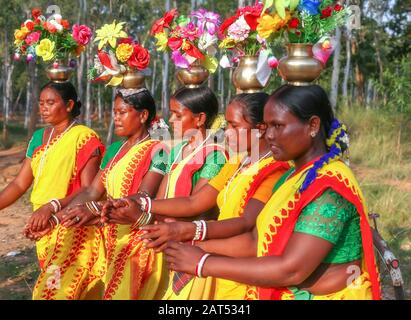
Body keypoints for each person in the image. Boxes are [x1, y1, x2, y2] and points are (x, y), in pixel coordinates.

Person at [163, 84, 381, 300]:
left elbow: (292, 269)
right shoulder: (293, 177)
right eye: (267, 126)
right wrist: (192, 245)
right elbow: (256, 242)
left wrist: (203, 263)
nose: (269, 136)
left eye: (278, 126)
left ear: (313, 125)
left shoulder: (330, 188)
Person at [106, 93, 289, 299]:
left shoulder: (269, 169)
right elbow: (195, 201)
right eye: (227, 125)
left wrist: (188, 235)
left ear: (260, 129)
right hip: (213, 259)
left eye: (234, 126)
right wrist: (140, 203)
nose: (226, 133)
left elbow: (245, 224)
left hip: (236, 265)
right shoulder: (236, 164)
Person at [57, 87, 168, 299]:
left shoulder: (160, 150)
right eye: (115, 112)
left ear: (143, 115)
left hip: (139, 240)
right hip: (113, 237)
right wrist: (59, 215)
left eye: (122, 112)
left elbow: (143, 196)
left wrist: (97, 208)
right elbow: (92, 190)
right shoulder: (115, 150)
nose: (115, 118)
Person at [0, 81, 106, 300]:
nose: (43, 108)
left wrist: (53, 211)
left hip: (70, 224)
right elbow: (20, 184)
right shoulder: (39, 138)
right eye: (41, 103)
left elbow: (89, 190)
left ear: (68, 105)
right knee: (55, 284)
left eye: (50, 102)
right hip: (41, 225)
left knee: (55, 291)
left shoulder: (85, 137)